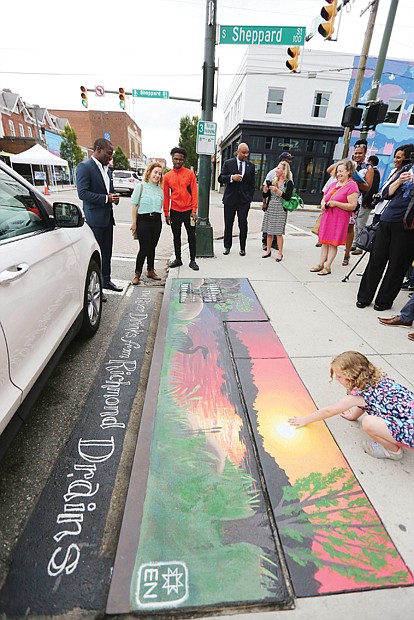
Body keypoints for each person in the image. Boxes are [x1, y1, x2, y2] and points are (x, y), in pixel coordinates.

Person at [289, 351, 414, 461]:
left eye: (339, 376)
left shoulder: (356, 397)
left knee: (369, 423)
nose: (337, 379)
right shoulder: (377, 378)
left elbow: (329, 411)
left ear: (352, 377)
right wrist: (353, 416)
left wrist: (305, 419)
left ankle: (393, 451)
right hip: (408, 417)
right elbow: (367, 403)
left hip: (411, 432)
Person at [356, 143, 414, 311]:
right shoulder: (406, 169)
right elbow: (386, 192)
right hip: (387, 219)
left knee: (397, 266)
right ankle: (364, 297)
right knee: (376, 260)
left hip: (407, 226)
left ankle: (383, 301)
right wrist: (400, 181)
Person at [76, 138, 122, 300]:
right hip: (94, 219)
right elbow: (82, 193)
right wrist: (105, 198)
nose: (111, 157)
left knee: (107, 252)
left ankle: (106, 281)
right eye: (109, 154)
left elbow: (109, 190)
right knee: (96, 256)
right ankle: (96, 288)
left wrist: (114, 197)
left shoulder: (107, 170)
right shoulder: (85, 167)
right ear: (98, 150)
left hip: (108, 219)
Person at [310, 159, 359, 275]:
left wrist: (336, 204)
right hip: (327, 216)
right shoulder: (333, 184)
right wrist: (323, 203)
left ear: (349, 171)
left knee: (333, 243)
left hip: (339, 219)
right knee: (324, 241)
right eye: (337, 171)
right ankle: (321, 263)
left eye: (341, 171)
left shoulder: (352, 186)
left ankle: (328, 266)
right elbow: (325, 197)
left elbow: (352, 205)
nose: (338, 174)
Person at [163, 147, 199, 271]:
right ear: (172, 159)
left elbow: (194, 192)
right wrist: (166, 213)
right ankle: (178, 259)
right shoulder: (167, 176)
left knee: (191, 236)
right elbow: (166, 196)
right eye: (176, 159)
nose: (178, 161)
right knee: (176, 236)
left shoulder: (189, 174)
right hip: (175, 211)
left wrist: (194, 210)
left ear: (184, 160)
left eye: (181, 159)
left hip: (189, 211)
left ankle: (193, 260)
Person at [218, 142, 256, 256]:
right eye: (243, 152)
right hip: (230, 200)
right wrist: (231, 178)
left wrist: (249, 198)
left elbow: (252, 184)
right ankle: (227, 246)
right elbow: (221, 178)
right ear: (238, 152)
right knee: (228, 224)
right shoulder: (228, 163)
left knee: (243, 224)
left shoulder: (251, 166)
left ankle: (242, 247)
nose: (246, 155)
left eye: (247, 153)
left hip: (244, 201)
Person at [130, 162, 164, 285]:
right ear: (149, 172)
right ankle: (137, 273)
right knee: (144, 248)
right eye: (155, 172)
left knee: (152, 247)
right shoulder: (141, 186)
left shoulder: (160, 190)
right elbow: (134, 204)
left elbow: (160, 206)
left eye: (160, 174)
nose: (157, 175)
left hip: (157, 220)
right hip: (143, 220)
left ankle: (150, 270)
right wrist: (134, 223)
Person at [342, 142, 373, 265]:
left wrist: (355, 180)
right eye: (355, 153)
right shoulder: (349, 165)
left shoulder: (368, 168)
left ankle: (347, 253)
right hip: (342, 196)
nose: (357, 155)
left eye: (360, 153)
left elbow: (367, 187)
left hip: (355, 198)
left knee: (350, 226)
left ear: (365, 154)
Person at [372, 144, 413, 225]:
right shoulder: (393, 171)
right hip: (379, 211)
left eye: (398, 158)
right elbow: (386, 191)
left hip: (393, 216)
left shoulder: (408, 175)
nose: (395, 160)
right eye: (395, 157)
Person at [261, 161, 293, 262]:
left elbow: (288, 197)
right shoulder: (274, 180)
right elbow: (265, 196)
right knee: (269, 231)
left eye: (279, 168)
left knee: (278, 233)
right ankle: (268, 251)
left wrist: (277, 191)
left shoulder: (288, 183)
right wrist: (265, 190)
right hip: (271, 207)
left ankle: (280, 253)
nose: (276, 170)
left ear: (284, 171)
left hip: (280, 208)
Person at [352, 154, 380, 252]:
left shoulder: (374, 172)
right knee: (356, 222)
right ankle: (355, 242)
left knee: (361, 223)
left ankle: (360, 245)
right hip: (361, 201)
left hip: (365, 202)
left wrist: (366, 201)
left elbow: (372, 188)